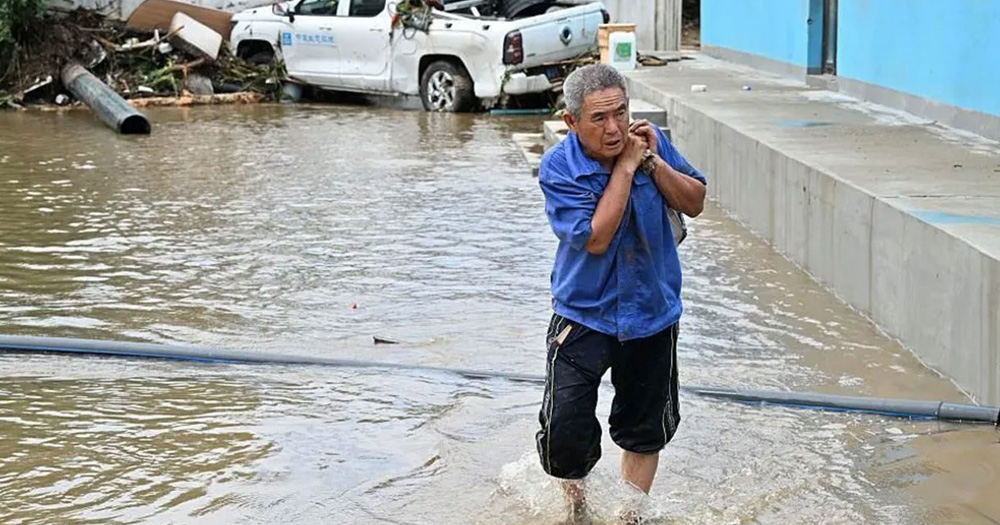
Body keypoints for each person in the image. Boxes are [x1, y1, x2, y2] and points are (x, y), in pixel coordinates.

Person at [535, 64, 707, 522]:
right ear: (571, 123)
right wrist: (628, 168)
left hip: (652, 312)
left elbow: (695, 200)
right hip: (582, 315)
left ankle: (629, 517)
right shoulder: (559, 167)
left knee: (643, 429)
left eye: (620, 113)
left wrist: (652, 161)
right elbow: (595, 238)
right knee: (563, 434)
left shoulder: (648, 144)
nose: (614, 129)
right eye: (599, 119)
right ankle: (577, 507)